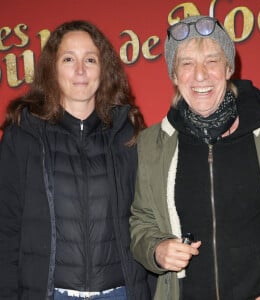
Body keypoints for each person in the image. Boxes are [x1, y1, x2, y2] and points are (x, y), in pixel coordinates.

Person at [130, 15, 260, 300]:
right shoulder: (151, 145)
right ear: (174, 75)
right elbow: (141, 221)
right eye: (186, 63)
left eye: (211, 60)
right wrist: (157, 249)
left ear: (228, 67)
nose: (200, 75)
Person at [0, 20, 152, 300]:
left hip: (119, 294)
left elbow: (146, 223)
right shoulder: (23, 136)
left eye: (90, 60)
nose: (80, 70)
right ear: (51, 69)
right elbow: (6, 228)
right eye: (69, 59)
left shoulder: (127, 135)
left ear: (103, 69)